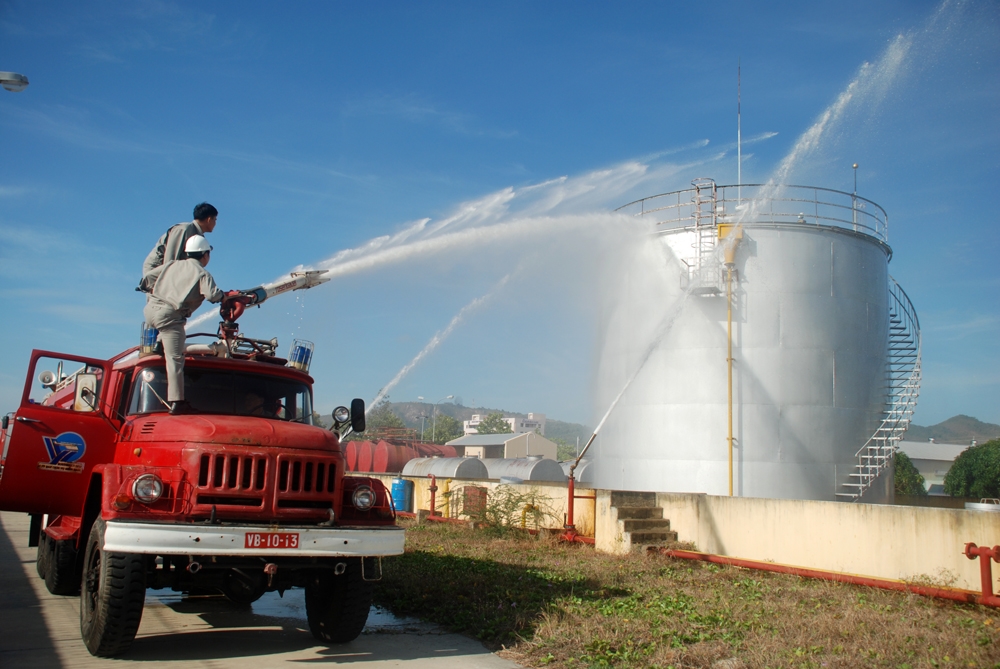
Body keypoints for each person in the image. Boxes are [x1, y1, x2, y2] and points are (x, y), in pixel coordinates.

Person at [142, 235, 224, 414]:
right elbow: (212, 296)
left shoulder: (172, 264)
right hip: (170, 317)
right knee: (175, 358)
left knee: (167, 331)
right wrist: (224, 296)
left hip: (150, 312)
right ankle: (177, 402)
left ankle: (158, 344)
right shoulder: (202, 273)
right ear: (204, 255)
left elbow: (149, 277)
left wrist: (144, 286)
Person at [138, 202, 218, 293]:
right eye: (215, 219)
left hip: (170, 270)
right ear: (209, 219)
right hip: (159, 269)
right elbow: (170, 257)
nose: (215, 223)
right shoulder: (184, 229)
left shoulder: (198, 236)